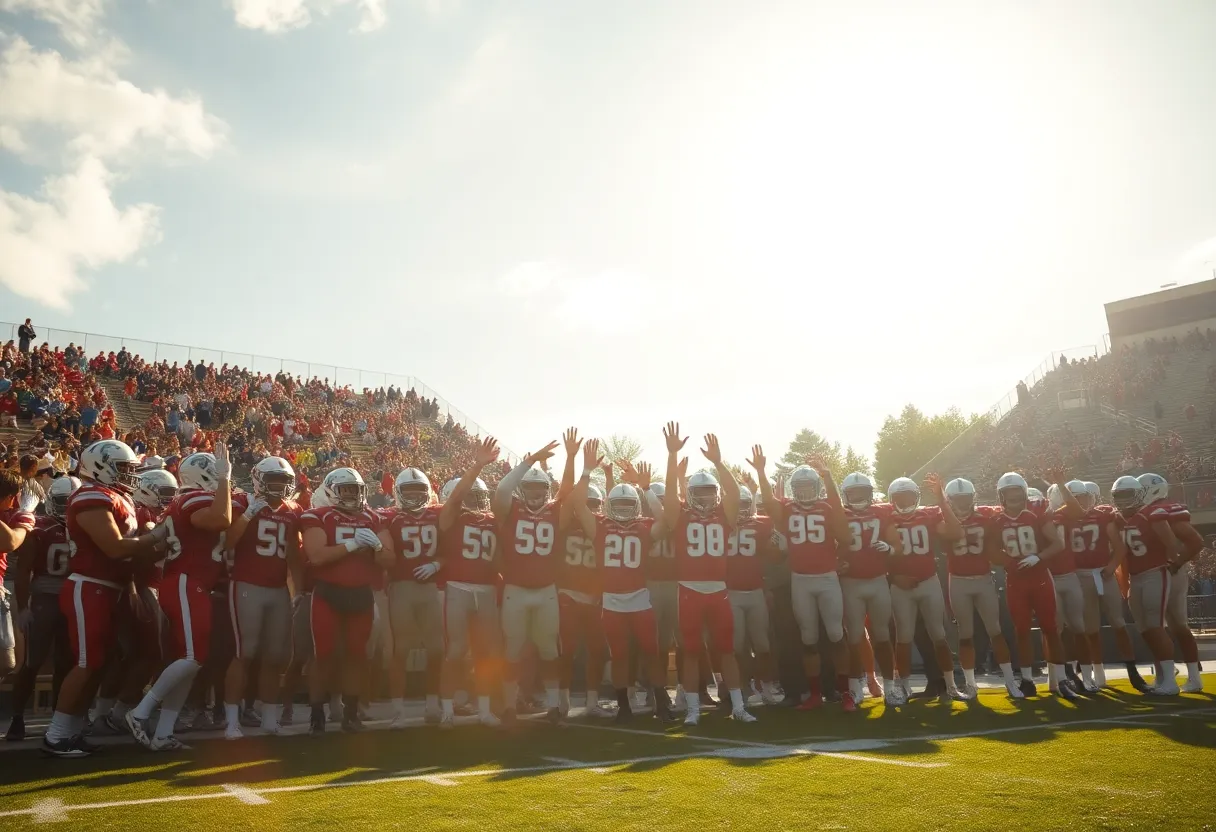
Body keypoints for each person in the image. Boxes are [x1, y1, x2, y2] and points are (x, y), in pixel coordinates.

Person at [46, 440, 166, 757]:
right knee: (87, 663)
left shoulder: (115, 496)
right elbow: (113, 547)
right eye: (123, 468)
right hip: (90, 586)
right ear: (101, 465)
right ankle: (56, 736)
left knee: (98, 665)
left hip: (109, 587)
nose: (129, 474)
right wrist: (155, 534)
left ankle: (71, 731)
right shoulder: (90, 495)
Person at [127, 445, 233, 752]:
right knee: (191, 657)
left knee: (190, 661)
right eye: (215, 473)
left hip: (186, 583)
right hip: (187, 583)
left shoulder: (178, 502)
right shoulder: (195, 498)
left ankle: (163, 734)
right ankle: (140, 711)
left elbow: (157, 541)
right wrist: (225, 481)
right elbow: (220, 520)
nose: (219, 477)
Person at [569, 440, 675, 722]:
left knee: (652, 653)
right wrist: (586, 471)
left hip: (639, 597)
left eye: (630, 504)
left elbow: (666, 520)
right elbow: (578, 505)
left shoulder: (643, 526)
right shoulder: (601, 525)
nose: (626, 510)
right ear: (610, 505)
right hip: (613, 601)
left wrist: (647, 487)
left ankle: (660, 701)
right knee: (619, 656)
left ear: (637, 505)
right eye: (620, 505)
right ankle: (624, 706)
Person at [661, 423, 754, 725]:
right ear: (689, 492)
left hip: (718, 590)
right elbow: (671, 499)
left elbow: (735, 491)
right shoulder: (680, 515)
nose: (704, 497)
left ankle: (738, 706)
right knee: (690, 651)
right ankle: (692, 709)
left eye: (709, 491)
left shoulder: (724, 515)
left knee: (726, 651)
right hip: (688, 589)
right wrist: (672, 457)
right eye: (698, 492)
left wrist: (717, 461)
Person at [751, 454, 854, 710]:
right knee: (807, 637)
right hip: (800, 580)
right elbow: (769, 502)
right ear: (793, 490)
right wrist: (762, 473)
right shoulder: (787, 509)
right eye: (801, 488)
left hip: (827, 578)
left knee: (835, 634)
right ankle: (816, 694)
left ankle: (846, 693)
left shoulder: (828, 507)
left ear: (817, 488)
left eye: (810, 487)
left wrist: (828, 477)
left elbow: (844, 534)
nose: (806, 492)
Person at [300, 467, 393, 734]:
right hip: (328, 592)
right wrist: (352, 545)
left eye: (355, 489)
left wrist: (376, 547)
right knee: (324, 655)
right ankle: (317, 714)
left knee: (357, 655)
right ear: (331, 490)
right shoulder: (318, 516)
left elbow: (390, 559)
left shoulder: (373, 518)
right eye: (345, 489)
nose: (351, 495)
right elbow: (316, 556)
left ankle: (351, 713)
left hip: (360, 593)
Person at [491, 430, 576, 726]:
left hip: (545, 590)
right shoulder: (511, 508)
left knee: (549, 649)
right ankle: (509, 707)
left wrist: (572, 458)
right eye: (531, 488)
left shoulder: (555, 510)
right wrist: (529, 462)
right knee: (512, 649)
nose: (537, 493)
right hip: (516, 588)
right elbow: (502, 489)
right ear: (523, 489)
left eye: (541, 488)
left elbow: (568, 491)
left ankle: (553, 705)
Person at [222, 456, 302, 739]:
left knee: (275, 657)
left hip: (278, 588)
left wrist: (298, 590)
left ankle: (270, 719)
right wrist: (247, 515)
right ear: (259, 481)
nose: (279, 487)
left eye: (284, 482)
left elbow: (293, 553)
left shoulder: (293, 510)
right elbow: (226, 543)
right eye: (274, 481)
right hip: (247, 585)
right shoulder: (242, 503)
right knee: (245, 653)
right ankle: (231, 721)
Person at [434, 438, 503, 728]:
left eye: (479, 496)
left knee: (485, 651)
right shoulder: (451, 514)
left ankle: (484, 709)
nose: (475, 501)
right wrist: (477, 466)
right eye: (470, 496)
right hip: (459, 589)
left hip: (487, 589)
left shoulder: (492, 519)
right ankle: (447, 709)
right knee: (456, 649)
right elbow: (456, 498)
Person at [990, 472, 1077, 700]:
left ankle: (1061, 678)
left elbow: (1057, 544)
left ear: (1024, 490)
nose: (1013, 495)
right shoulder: (997, 519)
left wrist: (1038, 557)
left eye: (1017, 490)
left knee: (1051, 628)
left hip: (1039, 577)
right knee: (1021, 631)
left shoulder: (1036, 513)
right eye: (1008, 492)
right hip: (1015, 580)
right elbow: (991, 551)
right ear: (1001, 495)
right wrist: (1007, 561)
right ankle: (1027, 680)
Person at [886, 475, 964, 700]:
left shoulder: (928, 515)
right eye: (899, 498)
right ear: (892, 499)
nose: (904, 501)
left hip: (928, 580)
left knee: (938, 634)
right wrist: (893, 576)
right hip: (900, 586)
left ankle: (949, 686)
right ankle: (905, 687)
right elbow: (877, 553)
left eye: (908, 496)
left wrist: (942, 500)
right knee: (904, 637)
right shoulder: (885, 518)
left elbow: (956, 532)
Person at [942, 478, 1020, 699]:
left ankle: (1009, 680)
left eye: (966, 498)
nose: (963, 503)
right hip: (958, 581)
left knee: (995, 629)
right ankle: (970, 683)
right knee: (965, 634)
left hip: (983, 578)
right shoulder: (942, 520)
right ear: (949, 501)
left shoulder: (985, 517)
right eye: (957, 499)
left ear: (973, 498)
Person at [381, 467, 445, 728]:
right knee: (402, 650)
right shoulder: (388, 517)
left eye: (420, 490)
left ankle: (432, 703)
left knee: (437, 649)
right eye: (410, 491)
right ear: (398, 493)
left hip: (430, 587)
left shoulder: (438, 514)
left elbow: (452, 549)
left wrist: (437, 565)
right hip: (402, 587)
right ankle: (399, 709)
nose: (416, 496)